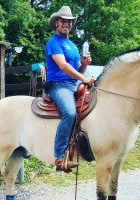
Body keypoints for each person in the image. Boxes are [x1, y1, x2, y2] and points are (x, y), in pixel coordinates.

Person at [44, 6, 94, 172]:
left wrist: (85, 66)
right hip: (58, 85)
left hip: (74, 84)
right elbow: (64, 67)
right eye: (63, 21)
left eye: (69, 21)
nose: (67, 24)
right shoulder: (53, 43)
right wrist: (84, 78)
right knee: (70, 113)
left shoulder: (72, 45)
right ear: (56, 23)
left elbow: (77, 70)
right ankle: (59, 158)